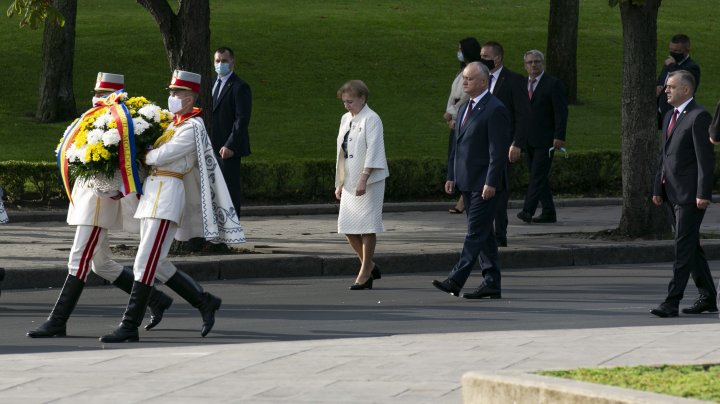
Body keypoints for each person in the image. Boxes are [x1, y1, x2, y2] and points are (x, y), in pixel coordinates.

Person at [100, 70, 246, 342]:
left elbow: (162, 155)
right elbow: (152, 157)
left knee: (145, 262)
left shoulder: (193, 127)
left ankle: (129, 325)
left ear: (191, 97)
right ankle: (204, 301)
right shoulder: (171, 125)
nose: (172, 97)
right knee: (156, 262)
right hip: (153, 196)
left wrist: (143, 154)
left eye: (178, 93)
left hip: (168, 197)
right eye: (171, 92)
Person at [27, 73, 174, 338]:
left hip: (99, 201)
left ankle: (58, 320)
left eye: (103, 93)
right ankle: (156, 299)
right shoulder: (92, 120)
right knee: (101, 264)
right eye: (95, 92)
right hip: (86, 196)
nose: (97, 98)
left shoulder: (121, 123)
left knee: (79, 258)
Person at [432, 62, 511, 299]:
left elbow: (497, 152)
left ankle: (456, 280)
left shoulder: (495, 108)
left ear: (483, 82)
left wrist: (491, 182)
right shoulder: (465, 106)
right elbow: (456, 145)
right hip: (467, 180)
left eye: (469, 78)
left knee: (475, 232)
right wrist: (451, 175)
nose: (464, 82)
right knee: (484, 235)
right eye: (463, 78)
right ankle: (492, 282)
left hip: (485, 184)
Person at [650, 70, 717, 318]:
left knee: (682, 248)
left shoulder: (699, 117)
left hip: (690, 196)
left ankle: (671, 301)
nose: (666, 90)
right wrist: (658, 187)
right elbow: (664, 156)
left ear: (686, 90)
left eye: (671, 87)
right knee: (690, 246)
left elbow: (705, 159)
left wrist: (703, 193)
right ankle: (708, 296)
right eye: (667, 87)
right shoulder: (669, 115)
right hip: (671, 193)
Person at [335, 80, 389, 290]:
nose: (347, 105)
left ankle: (365, 273)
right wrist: (339, 182)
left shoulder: (372, 119)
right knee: (347, 226)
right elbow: (341, 152)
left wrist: (364, 178)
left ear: (362, 98)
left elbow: (375, 150)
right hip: (348, 180)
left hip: (370, 181)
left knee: (367, 226)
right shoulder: (345, 118)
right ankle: (370, 264)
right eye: (344, 102)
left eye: (350, 101)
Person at [480, 41, 530, 247]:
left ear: (497, 58)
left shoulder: (514, 80)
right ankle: (485, 231)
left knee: (498, 189)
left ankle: (500, 233)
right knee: (481, 189)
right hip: (481, 145)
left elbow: (523, 114)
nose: (481, 59)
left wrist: (517, 143)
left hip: (503, 145)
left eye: (485, 56)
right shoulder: (480, 79)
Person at [516, 50, 568, 224]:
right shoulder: (522, 84)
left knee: (537, 175)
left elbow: (561, 113)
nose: (533, 65)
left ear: (543, 63)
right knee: (538, 175)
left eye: (537, 62)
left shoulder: (553, 84)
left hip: (546, 139)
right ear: (525, 66)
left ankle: (527, 211)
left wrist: (559, 136)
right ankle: (549, 211)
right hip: (527, 139)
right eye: (530, 62)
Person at [211, 46, 253, 217]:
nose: (221, 64)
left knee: (229, 189)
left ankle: (232, 228)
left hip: (228, 148)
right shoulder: (211, 83)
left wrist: (230, 144)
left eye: (224, 61)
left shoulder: (239, 86)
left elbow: (242, 119)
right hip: (211, 144)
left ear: (232, 62)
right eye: (218, 61)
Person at [445, 37, 481, 215]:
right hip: (456, 116)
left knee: (463, 155)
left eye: (460, 49)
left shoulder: (475, 71)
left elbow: (466, 96)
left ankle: (463, 199)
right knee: (455, 155)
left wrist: (452, 112)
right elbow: (454, 94)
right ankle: (462, 195)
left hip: (462, 117)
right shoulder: (462, 70)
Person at [656, 34, 700, 130]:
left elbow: (686, 88)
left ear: (687, 50)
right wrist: (658, 87)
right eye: (671, 50)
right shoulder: (669, 63)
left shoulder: (692, 68)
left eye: (677, 51)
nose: (673, 53)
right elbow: (661, 80)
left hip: (676, 112)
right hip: (661, 111)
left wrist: (672, 66)